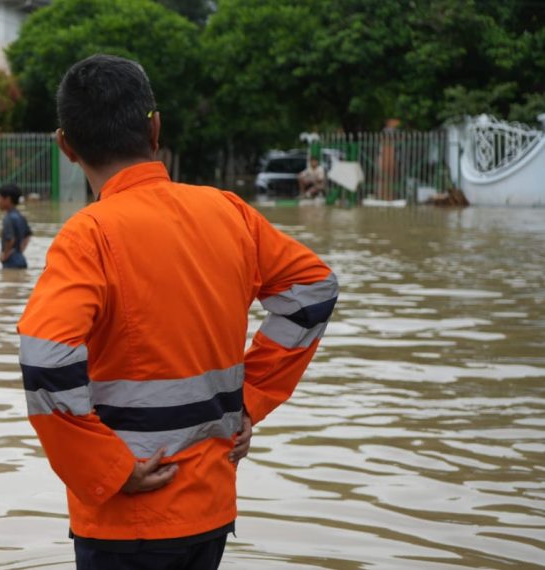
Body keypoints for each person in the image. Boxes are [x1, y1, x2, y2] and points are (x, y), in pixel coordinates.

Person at [17, 55, 338, 569]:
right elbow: (313, 291)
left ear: (65, 146)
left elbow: (46, 358)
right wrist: (248, 399)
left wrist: (107, 469)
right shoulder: (229, 212)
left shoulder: (89, 235)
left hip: (127, 514)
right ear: (156, 127)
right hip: (210, 505)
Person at [0, 183, 32, 269]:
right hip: (21, 259)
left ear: (7, 199)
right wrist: (20, 251)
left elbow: (10, 239)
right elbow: (27, 236)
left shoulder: (8, 218)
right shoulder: (20, 216)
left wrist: (5, 255)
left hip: (11, 262)